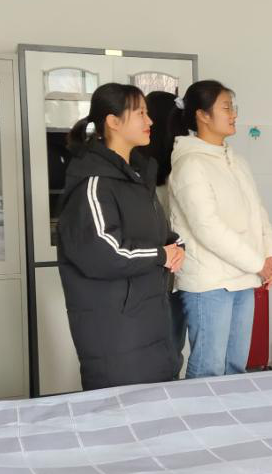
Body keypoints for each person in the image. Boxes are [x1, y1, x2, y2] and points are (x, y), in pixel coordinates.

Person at [57, 83, 184, 391]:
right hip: (116, 328)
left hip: (148, 319)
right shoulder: (94, 183)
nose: (150, 121)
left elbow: (154, 233)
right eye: (140, 113)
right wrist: (161, 255)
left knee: (156, 405)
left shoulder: (136, 177)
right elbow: (103, 252)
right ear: (113, 121)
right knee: (122, 408)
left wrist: (175, 245)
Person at [168, 80, 272, 378]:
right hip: (209, 282)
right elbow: (207, 228)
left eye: (233, 107)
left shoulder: (236, 160)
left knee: (235, 366)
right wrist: (258, 262)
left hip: (243, 277)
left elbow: (257, 211)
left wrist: (270, 255)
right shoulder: (190, 164)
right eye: (226, 108)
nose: (234, 114)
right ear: (202, 115)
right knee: (209, 368)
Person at [142, 90, 186, 365]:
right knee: (172, 348)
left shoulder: (139, 166)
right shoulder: (180, 164)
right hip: (175, 267)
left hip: (150, 268)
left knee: (156, 350)